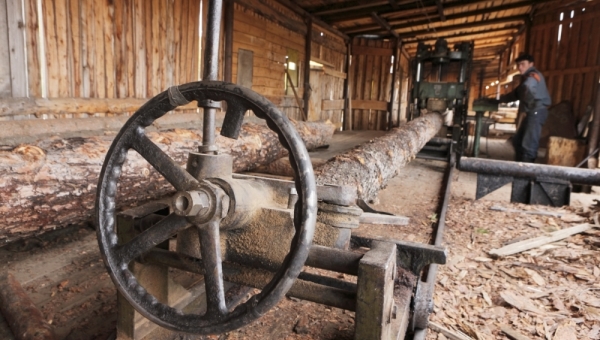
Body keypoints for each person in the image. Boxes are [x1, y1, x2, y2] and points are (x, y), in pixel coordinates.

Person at [499, 53, 551, 163]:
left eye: (523, 64)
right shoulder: (526, 77)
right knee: (517, 141)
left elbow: (528, 88)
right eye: (518, 65)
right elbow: (517, 94)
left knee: (529, 145)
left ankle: (526, 174)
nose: (520, 67)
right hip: (533, 111)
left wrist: (529, 104)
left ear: (531, 64)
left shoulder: (532, 77)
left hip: (537, 111)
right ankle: (519, 167)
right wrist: (499, 100)